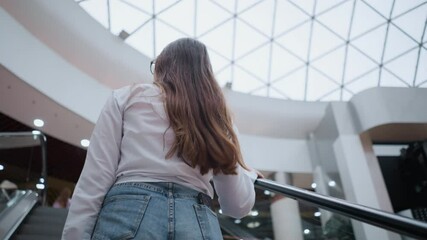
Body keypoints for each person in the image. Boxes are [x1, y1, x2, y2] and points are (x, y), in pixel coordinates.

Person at [62, 38, 258, 240]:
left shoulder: (126, 98)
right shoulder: (217, 119)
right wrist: (248, 175)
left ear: (161, 68)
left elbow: (94, 180)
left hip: (127, 211)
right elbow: (237, 205)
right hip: (197, 221)